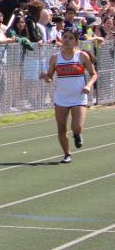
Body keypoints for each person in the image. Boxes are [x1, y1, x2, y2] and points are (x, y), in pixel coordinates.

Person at [40, 28, 97, 163]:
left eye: (70, 38)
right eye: (65, 37)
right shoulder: (55, 57)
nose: (66, 40)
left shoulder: (82, 56)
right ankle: (67, 154)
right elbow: (50, 78)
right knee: (61, 128)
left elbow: (94, 74)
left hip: (78, 97)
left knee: (76, 127)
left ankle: (77, 134)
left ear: (76, 41)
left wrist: (88, 86)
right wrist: (45, 76)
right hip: (61, 98)